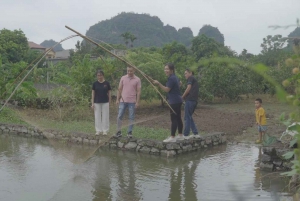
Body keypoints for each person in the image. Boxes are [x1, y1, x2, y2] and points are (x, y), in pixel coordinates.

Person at [153, 63, 183, 143]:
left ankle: (172, 136)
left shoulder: (171, 78)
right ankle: (180, 135)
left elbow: (167, 89)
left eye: (167, 69)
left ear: (171, 70)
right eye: (165, 69)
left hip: (174, 101)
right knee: (178, 118)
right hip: (178, 100)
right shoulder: (175, 77)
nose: (165, 70)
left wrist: (158, 84)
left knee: (174, 119)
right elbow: (180, 83)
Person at [115, 66, 141, 138]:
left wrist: (137, 102)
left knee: (131, 117)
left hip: (132, 101)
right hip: (123, 100)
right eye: (128, 71)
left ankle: (129, 132)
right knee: (119, 116)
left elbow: (138, 91)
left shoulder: (137, 79)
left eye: (131, 71)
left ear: (134, 70)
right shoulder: (123, 78)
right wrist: (117, 99)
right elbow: (119, 89)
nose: (129, 72)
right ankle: (118, 131)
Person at [91, 70, 111, 135]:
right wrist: (92, 103)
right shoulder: (95, 84)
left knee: (105, 116)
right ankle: (98, 130)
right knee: (97, 116)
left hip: (105, 101)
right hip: (97, 102)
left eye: (101, 75)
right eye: (98, 75)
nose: (99, 77)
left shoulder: (107, 83)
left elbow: (109, 93)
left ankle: (105, 130)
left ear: (103, 75)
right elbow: (93, 94)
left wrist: (110, 101)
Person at [182, 69, 200, 138]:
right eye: (184, 74)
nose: (185, 75)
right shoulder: (194, 79)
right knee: (189, 117)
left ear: (190, 73)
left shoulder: (191, 78)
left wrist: (182, 97)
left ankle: (186, 134)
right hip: (194, 101)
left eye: (186, 73)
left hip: (190, 100)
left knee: (187, 117)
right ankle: (195, 133)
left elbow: (188, 88)